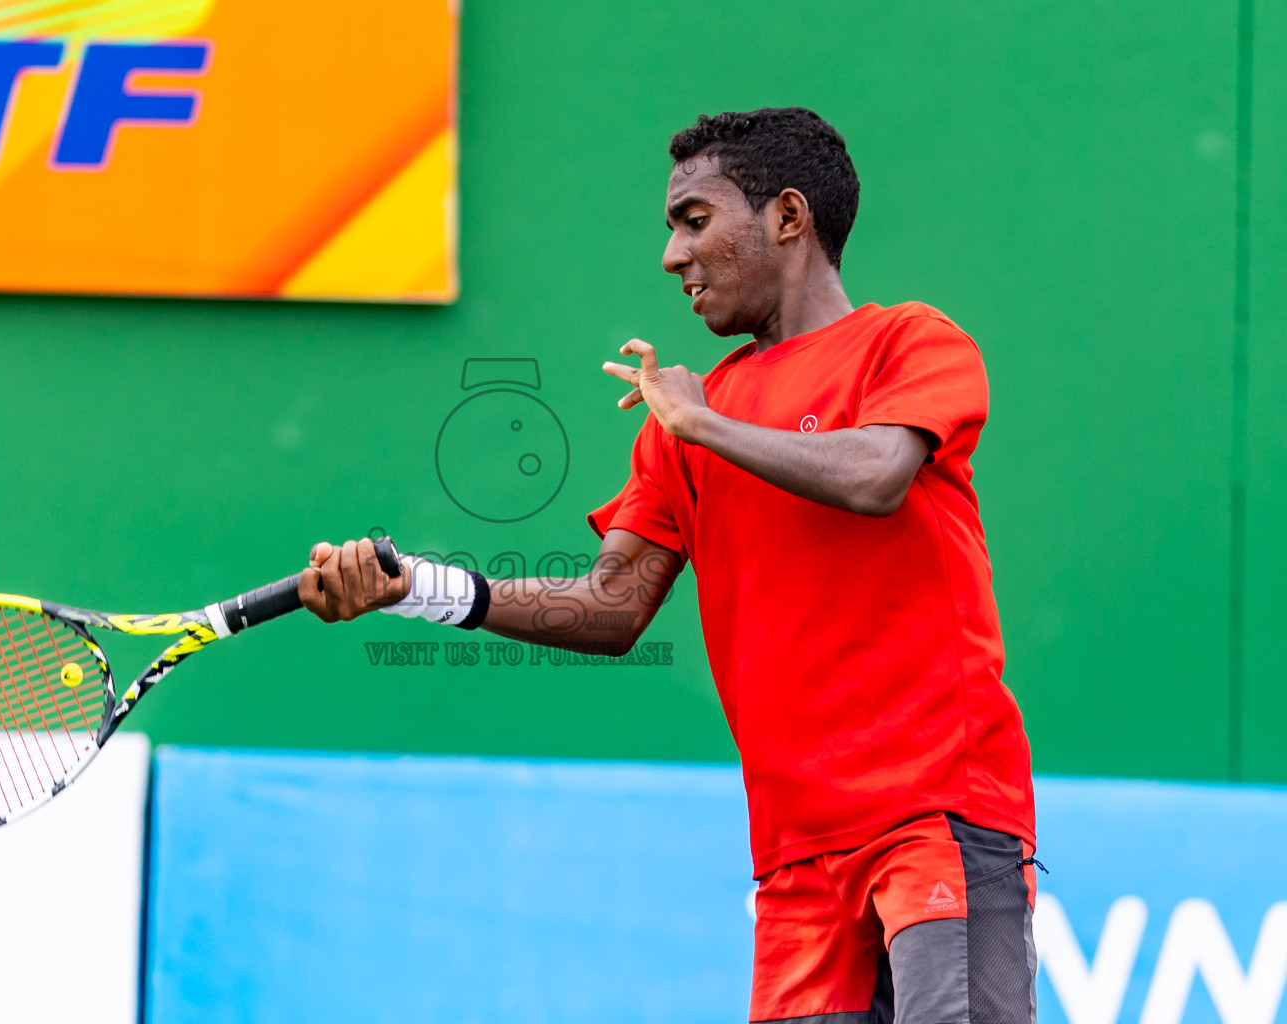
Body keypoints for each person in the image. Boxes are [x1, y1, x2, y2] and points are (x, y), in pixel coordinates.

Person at [299, 107, 1037, 1024]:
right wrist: (420, 589)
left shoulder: (907, 342)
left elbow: (878, 474)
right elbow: (609, 607)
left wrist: (703, 422)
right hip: (795, 857)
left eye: (695, 221)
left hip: (934, 819)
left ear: (788, 217)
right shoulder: (684, 422)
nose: (671, 256)